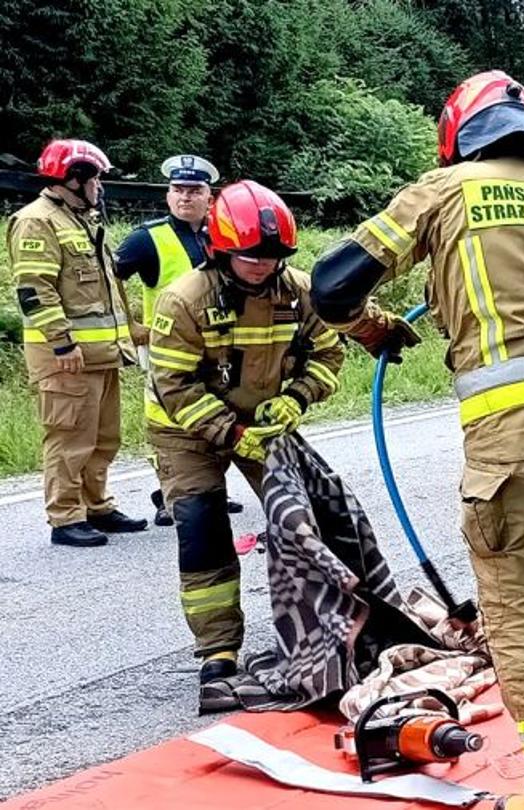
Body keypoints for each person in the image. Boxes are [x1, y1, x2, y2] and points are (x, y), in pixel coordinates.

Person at [312, 71, 524, 810]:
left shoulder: (442, 191)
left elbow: (332, 285)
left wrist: (373, 327)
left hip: (513, 449)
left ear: (457, 135)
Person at [144, 180, 344, 713]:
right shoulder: (184, 300)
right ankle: (218, 653)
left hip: (264, 422)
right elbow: (176, 386)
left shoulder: (298, 291)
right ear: (220, 248)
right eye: (250, 256)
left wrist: (298, 398)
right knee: (202, 529)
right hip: (187, 431)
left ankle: (321, 634)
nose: (261, 266)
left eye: (272, 257)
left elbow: (327, 354)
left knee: (305, 521)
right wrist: (233, 435)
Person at [7, 139, 145, 547]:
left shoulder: (80, 219)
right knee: (69, 438)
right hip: (66, 358)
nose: (100, 185)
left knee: (104, 437)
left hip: (101, 355)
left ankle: (96, 505)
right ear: (73, 178)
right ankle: (65, 516)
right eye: (96, 178)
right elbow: (34, 290)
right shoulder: (37, 221)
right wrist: (62, 344)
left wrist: (130, 333)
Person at [114, 154, 245, 527]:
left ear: (210, 196)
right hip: (170, 349)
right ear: (168, 196)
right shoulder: (147, 238)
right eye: (177, 190)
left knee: (217, 414)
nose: (184, 197)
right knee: (168, 421)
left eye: (193, 190)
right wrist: (130, 325)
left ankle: (210, 488)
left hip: (219, 346)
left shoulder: (223, 235)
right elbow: (107, 280)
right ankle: (166, 493)